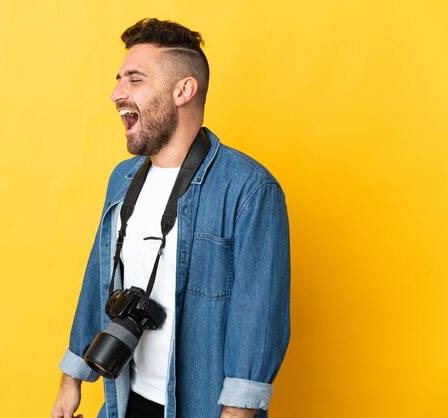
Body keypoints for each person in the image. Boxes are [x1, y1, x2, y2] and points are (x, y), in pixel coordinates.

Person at [52, 18, 290, 418]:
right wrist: (72, 378)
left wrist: (238, 412)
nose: (116, 93)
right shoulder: (122, 180)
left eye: (135, 80)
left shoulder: (250, 190)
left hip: (203, 407)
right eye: (119, 79)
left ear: (183, 90)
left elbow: (258, 321)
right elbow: (98, 279)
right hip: (126, 400)